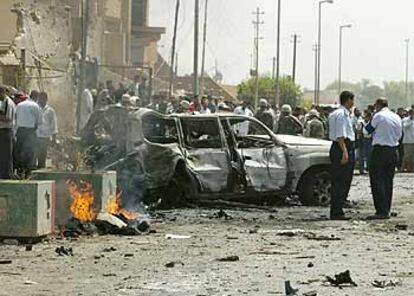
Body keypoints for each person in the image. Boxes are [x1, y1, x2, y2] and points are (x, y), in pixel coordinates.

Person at [365, 98, 402, 220]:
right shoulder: (396, 117)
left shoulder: (378, 116)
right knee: (388, 181)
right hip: (393, 150)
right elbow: (399, 135)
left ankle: (381, 210)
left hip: (380, 151)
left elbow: (367, 131)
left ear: (379, 105)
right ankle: (386, 208)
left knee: (377, 180)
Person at [328, 91, 356, 220]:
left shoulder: (337, 113)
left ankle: (338, 209)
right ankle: (337, 211)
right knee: (341, 181)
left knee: (340, 181)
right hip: (342, 147)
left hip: (339, 147)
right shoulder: (341, 115)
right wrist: (345, 152)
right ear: (348, 100)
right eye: (352, 100)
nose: (353, 103)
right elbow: (340, 136)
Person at [15, 90, 43, 177]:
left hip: (20, 131)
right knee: (30, 151)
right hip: (30, 131)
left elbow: (15, 118)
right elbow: (40, 121)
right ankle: (28, 171)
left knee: (20, 151)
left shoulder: (19, 105)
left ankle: (19, 170)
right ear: (36, 97)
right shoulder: (35, 106)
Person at [36, 92, 58, 169]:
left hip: (45, 137)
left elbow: (54, 125)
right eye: (40, 99)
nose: (41, 101)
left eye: (43, 99)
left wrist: (54, 138)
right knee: (34, 156)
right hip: (36, 136)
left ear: (46, 99)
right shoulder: (36, 108)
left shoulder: (50, 111)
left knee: (42, 156)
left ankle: (41, 170)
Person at [0, 86, 16, 179]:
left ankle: (7, 175)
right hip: (2, 130)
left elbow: (7, 118)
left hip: (6, 131)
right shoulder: (2, 102)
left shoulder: (8, 103)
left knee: (6, 155)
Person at [401, 107, 414, 172]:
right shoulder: (405, 120)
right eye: (411, 112)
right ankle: (405, 168)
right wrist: (410, 120)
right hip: (408, 141)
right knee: (407, 156)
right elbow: (404, 127)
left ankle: (411, 168)